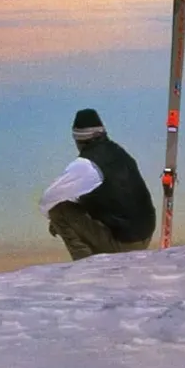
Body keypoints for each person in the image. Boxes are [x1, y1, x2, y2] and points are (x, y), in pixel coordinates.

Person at [39, 108, 156, 260]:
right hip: (144, 237)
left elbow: (47, 200)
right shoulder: (119, 152)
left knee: (58, 210)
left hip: (125, 244)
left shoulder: (86, 165)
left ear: (78, 140)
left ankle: (87, 268)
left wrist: (56, 222)